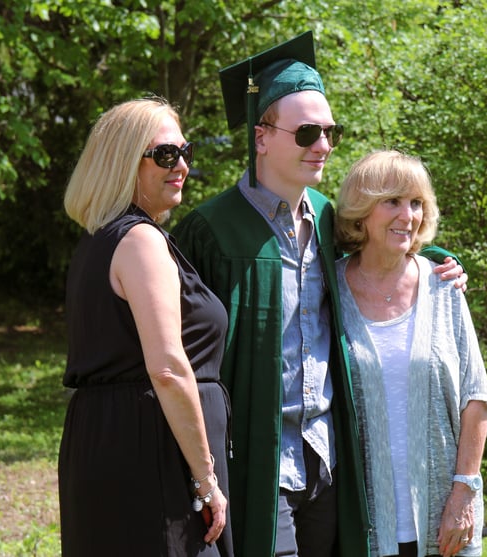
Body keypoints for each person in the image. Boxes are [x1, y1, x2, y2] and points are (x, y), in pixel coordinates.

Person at [172, 32, 466, 557]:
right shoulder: (209, 231)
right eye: (308, 132)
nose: (323, 145)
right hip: (256, 461)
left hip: (330, 462)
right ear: (261, 136)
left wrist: (443, 259)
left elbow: (388, 244)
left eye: (331, 131)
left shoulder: (332, 218)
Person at [59, 97, 233, 557]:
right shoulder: (139, 241)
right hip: (151, 450)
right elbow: (170, 369)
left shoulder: (100, 240)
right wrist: (205, 478)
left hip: (111, 439)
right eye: (164, 155)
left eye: (184, 153)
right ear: (122, 161)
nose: (181, 166)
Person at [334, 150, 487, 557]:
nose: (408, 215)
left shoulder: (444, 287)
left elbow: (476, 399)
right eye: (392, 201)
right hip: (364, 526)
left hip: (446, 523)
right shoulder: (328, 290)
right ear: (361, 211)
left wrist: (464, 495)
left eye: (416, 203)